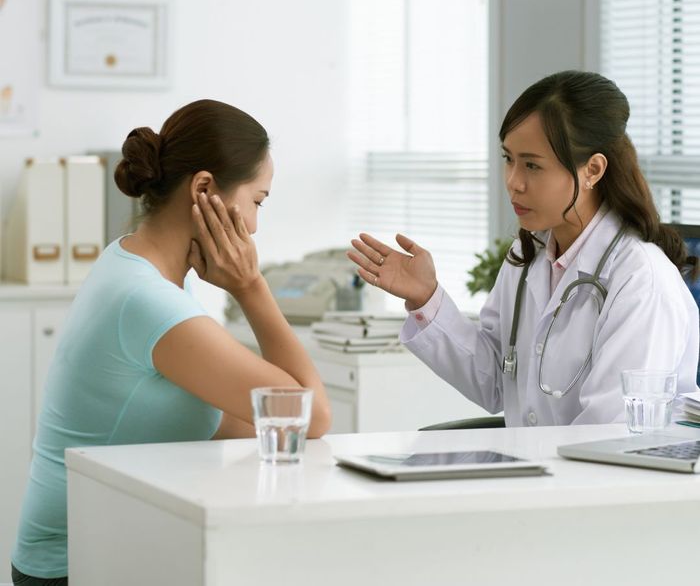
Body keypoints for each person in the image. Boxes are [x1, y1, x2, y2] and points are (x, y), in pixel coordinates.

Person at [11, 99, 331, 585]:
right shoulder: (146, 301)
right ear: (203, 188)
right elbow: (310, 415)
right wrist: (251, 287)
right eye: (257, 201)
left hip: (101, 545)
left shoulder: (137, 265)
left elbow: (234, 416)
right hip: (72, 568)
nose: (255, 226)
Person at [348, 70, 699, 427]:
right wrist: (426, 298)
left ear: (592, 169)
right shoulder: (530, 255)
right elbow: (494, 383)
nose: (514, 182)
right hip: (537, 470)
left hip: (594, 477)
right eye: (508, 159)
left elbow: (609, 433)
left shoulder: (641, 281)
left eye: (532, 165)